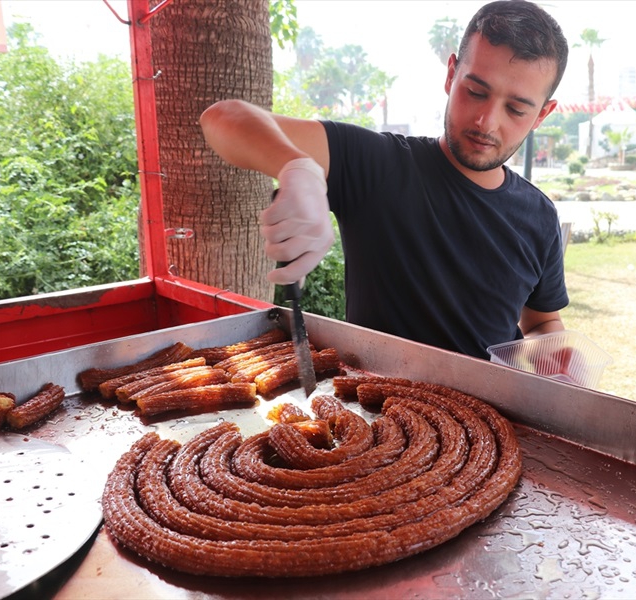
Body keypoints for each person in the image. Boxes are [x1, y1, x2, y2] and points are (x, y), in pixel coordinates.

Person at [200, 0, 570, 360]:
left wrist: (553, 355)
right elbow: (223, 118)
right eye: (475, 92)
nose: (486, 121)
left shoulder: (538, 216)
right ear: (451, 73)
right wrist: (295, 166)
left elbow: (541, 321)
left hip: (491, 415)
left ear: (542, 114)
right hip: (373, 408)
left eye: (516, 109)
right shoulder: (379, 164)